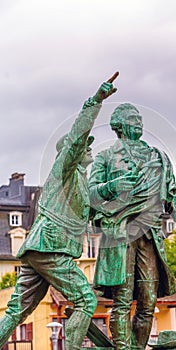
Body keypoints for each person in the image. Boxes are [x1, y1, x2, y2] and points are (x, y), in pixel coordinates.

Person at [88, 101, 176, 350]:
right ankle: (122, 348)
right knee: (123, 300)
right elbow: (90, 195)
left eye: (139, 117)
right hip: (120, 236)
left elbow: (174, 199)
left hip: (149, 235)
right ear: (119, 126)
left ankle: (137, 348)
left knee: (148, 302)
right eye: (132, 118)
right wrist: (111, 187)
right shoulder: (106, 157)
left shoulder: (158, 158)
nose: (137, 121)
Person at [0, 72, 118, 350]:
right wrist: (95, 102)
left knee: (17, 311)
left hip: (42, 250)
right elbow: (77, 137)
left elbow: (94, 206)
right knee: (86, 301)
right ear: (71, 152)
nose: (89, 149)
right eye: (84, 147)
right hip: (50, 247)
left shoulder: (78, 180)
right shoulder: (63, 171)